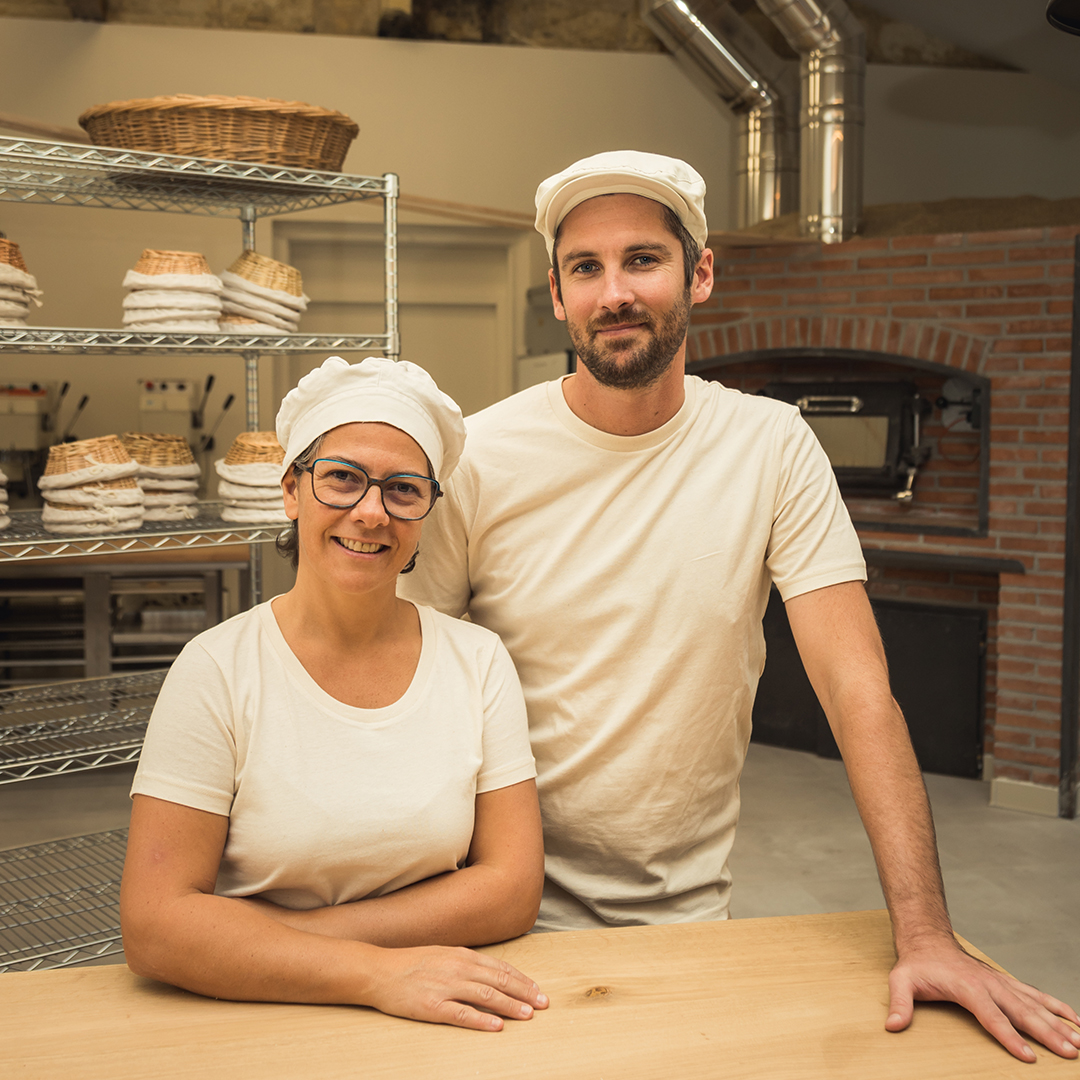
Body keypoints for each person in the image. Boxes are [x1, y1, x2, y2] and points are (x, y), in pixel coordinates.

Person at [400, 150, 1080, 1061]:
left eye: (643, 259)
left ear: (700, 274)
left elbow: (856, 689)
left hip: (693, 915)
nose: (614, 293)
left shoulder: (771, 446)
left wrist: (923, 934)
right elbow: (415, 693)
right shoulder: (478, 455)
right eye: (585, 268)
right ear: (557, 295)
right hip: (494, 910)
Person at [121, 356, 548, 1033]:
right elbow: (153, 926)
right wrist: (375, 973)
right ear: (292, 491)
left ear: (426, 512)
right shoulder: (218, 670)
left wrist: (288, 934)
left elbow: (512, 889)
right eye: (343, 479)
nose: (371, 512)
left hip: (432, 1015)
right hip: (252, 1018)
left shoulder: (476, 661)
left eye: (404, 490)